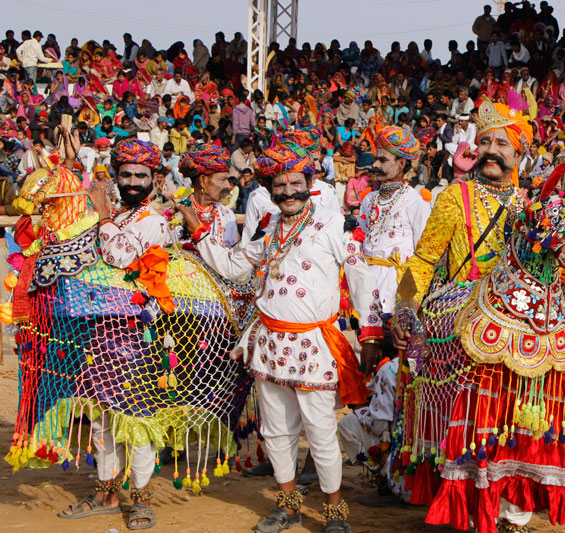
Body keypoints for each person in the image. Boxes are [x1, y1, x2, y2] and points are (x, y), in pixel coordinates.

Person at [391, 100, 565, 532]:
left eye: (502, 143)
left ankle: (515, 508)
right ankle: (471, 501)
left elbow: (556, 265)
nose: (491, 150)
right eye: (484, 141)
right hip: (462, 313)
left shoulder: (534, 204)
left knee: (528, 402)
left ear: (518, 153)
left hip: (520, 317)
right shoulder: (454, 198)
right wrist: (406, 306)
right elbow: (424, 261)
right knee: (479, 412)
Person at [174, 142, 383, 533]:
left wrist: (370, 333)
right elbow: (236, 266)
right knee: (276, 433)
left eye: (295, 183)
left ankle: (335, 512)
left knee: (320, 433)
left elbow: (360, 277)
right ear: (270, 190)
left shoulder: (333, 223)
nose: (288, 192)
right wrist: (199, 230)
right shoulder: (269, 226)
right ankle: (287, 507)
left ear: (310, 182)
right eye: (280, 185)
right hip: (269, 345)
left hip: (314, 347)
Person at [59, 139, 169, 530]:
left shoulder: (152, 220)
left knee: (137, 419)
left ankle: (140, 499)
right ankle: (106, 492)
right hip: (101, 331)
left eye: (142, 175)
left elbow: (121, 257)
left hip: (139, 334)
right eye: (127, 174)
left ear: (154, 179)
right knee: (103, 417)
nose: (134, 181)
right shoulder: (116, 215)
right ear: (117, 177)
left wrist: (103, 214)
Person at [360, 126, 430, 319]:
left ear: (401, 164)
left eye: (383, 160)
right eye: (375, 159)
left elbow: (422, 252)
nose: (375, 165)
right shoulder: (369, 199)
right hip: (366, 279)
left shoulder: (415, 201)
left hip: (397, 284)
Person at [178, 144, 239, 247]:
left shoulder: (227, 215)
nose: (228, 186)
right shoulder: (177, 214)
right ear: (203, 181)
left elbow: (232, 255)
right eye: (223, 179)